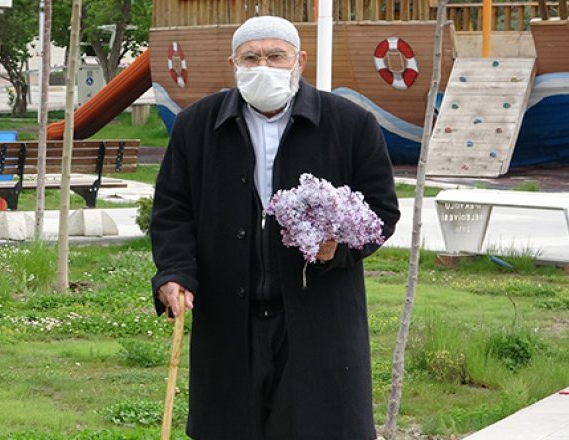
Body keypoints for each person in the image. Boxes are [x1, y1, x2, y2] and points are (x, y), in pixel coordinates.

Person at [150, 15, 401, 440]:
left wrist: (336, 248)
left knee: (317, 427)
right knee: (231, 426)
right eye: (251, 57)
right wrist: (174, 272)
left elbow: (381, 210)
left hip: (318, 313)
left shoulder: (350, 124)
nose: (262, 66)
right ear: (234, 62)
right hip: (230, 313)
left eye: (275, 55)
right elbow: (174, 208)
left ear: (299, 60)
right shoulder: (197, 125)